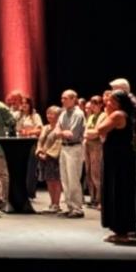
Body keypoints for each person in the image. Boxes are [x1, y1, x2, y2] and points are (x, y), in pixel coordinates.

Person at [97, 90, 136, 243]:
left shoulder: (117, 115)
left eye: (110, 101)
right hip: (119, 159)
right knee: (118, 191)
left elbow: (100, 130)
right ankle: (119, 230)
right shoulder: (124, 114)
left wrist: (107, 113)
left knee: (119, 192)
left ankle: (122, 232)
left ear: (118, 103)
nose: (107, 103)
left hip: (119, 161)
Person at [56, 89, 86, 218]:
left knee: (73, 178)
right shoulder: (63, 113)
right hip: (64, 147)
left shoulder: (78, 114)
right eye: (62, 98)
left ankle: (77, 208)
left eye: (66, 98)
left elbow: (71, 135)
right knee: (65, 178)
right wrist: (61, 132)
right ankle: (69, 206)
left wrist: (60, 132)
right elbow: (57, 128)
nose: (63, 100)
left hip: (74, 148)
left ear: (74, 99)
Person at [36, 105, 63, 213]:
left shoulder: (59, 128)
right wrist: (38, 150)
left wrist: (47, 154)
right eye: (48, 113)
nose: (49, 116)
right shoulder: (45, 127)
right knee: (48, 180)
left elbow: (58, 143)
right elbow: (40, 141)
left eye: (52, 114)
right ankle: (52, 203)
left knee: (56, 180)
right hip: (43, 157)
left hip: (53, 158)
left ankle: (57, 204)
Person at [84, 95, 104, 209]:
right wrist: (89, 133)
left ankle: (100, 199)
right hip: (88, 145)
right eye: (92, 103)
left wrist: (89, 133)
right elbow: (86, 130)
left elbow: (97, 132)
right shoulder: (91, 116)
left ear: (101, 105)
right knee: (89, 172)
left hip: (97, 146)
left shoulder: (102, 115)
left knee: (96, 173)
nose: (93, 105)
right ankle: (93, 198)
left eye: (95, 103)